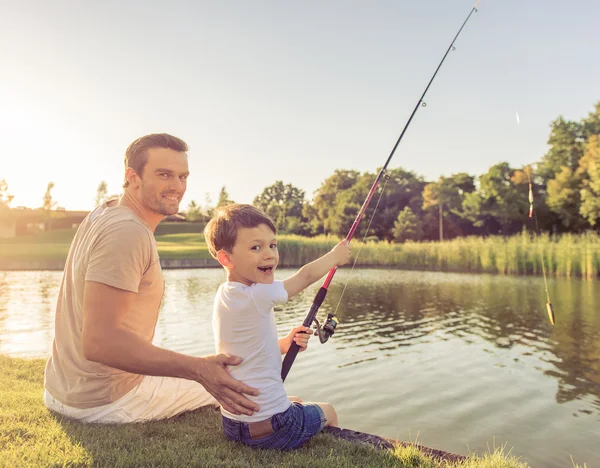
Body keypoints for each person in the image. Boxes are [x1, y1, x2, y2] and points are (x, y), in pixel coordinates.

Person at [44, 133, 261, 423]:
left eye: (183, 176)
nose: (177, 187)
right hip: (106, 401)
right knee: (257, 395)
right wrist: (198, 368)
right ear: (132, 177)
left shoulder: (104, 212)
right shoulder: (128, 232)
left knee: (231, 375)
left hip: (63, 391)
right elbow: (99, 342)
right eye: (164, 175)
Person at [204, 204, 352, 450]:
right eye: (256, 247)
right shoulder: (258, 294)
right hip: (274, 430)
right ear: (226, 258)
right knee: (329, 410)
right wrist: (334, 257)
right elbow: (304, 276)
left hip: (233, 425)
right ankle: (333, 448)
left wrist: (285, 343)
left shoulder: (226, 294)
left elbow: (247, 351)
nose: (269, 254)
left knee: (295, 400)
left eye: (273, 245)